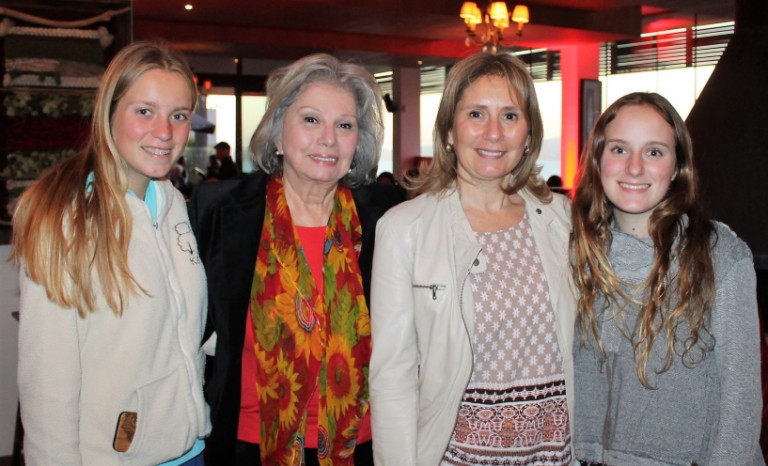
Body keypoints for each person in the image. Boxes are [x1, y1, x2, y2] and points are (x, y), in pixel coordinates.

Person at [189, 53, 399, 465]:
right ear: (278, 134)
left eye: (344, 125)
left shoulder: (386, 220)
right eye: (310, 120)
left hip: (363, 448)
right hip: (249, 446)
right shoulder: (221, 213)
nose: (328, 139)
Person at [369, 52, 576, 465]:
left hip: (555, 455)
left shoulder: (561, 219)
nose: (494, 133)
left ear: (529, 134)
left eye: (511, 116)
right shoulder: (404, 229)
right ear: (449, 130)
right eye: (477, 114)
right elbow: (392, 377)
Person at [11, 41, 210, 466]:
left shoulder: (172, 202)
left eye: (178, 116)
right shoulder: (64, 220)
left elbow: (178, 326)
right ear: (109, 113)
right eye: (145, 111)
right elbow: (47, 382)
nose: (165, 132)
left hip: (190, 449)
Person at [570, 92, 763, 465]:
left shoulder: (719, 255)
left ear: (677, 167)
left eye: (654, 152)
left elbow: (740, 406)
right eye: (620, 150)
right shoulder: (573, 252)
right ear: (597, 159)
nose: (635, 168)